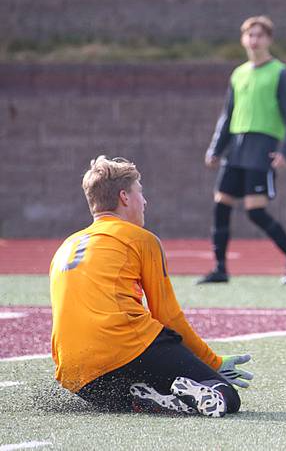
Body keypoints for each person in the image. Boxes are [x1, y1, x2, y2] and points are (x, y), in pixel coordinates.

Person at [49, 156, 253, 417]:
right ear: (124, 197)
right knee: (226, 395)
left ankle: (159, 399)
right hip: (126, 347)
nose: (144, 202)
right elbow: (168, 316)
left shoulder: (65, 247)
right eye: (140, 193)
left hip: (75, 372)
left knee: (137, 400)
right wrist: (214, 363)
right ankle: (188, 395)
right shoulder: (141, 239)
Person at [199, 15, 286, 285]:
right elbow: (227, 114)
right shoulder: (238, 73)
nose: (254, 40)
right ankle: (220, 268)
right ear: (243, 39)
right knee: (221, 206)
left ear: (269, 39)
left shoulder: (279, 72)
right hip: (236, 148)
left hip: (262, 148)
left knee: (255, 211)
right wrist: (216, 148)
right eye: (250, 35)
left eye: (260, 35)